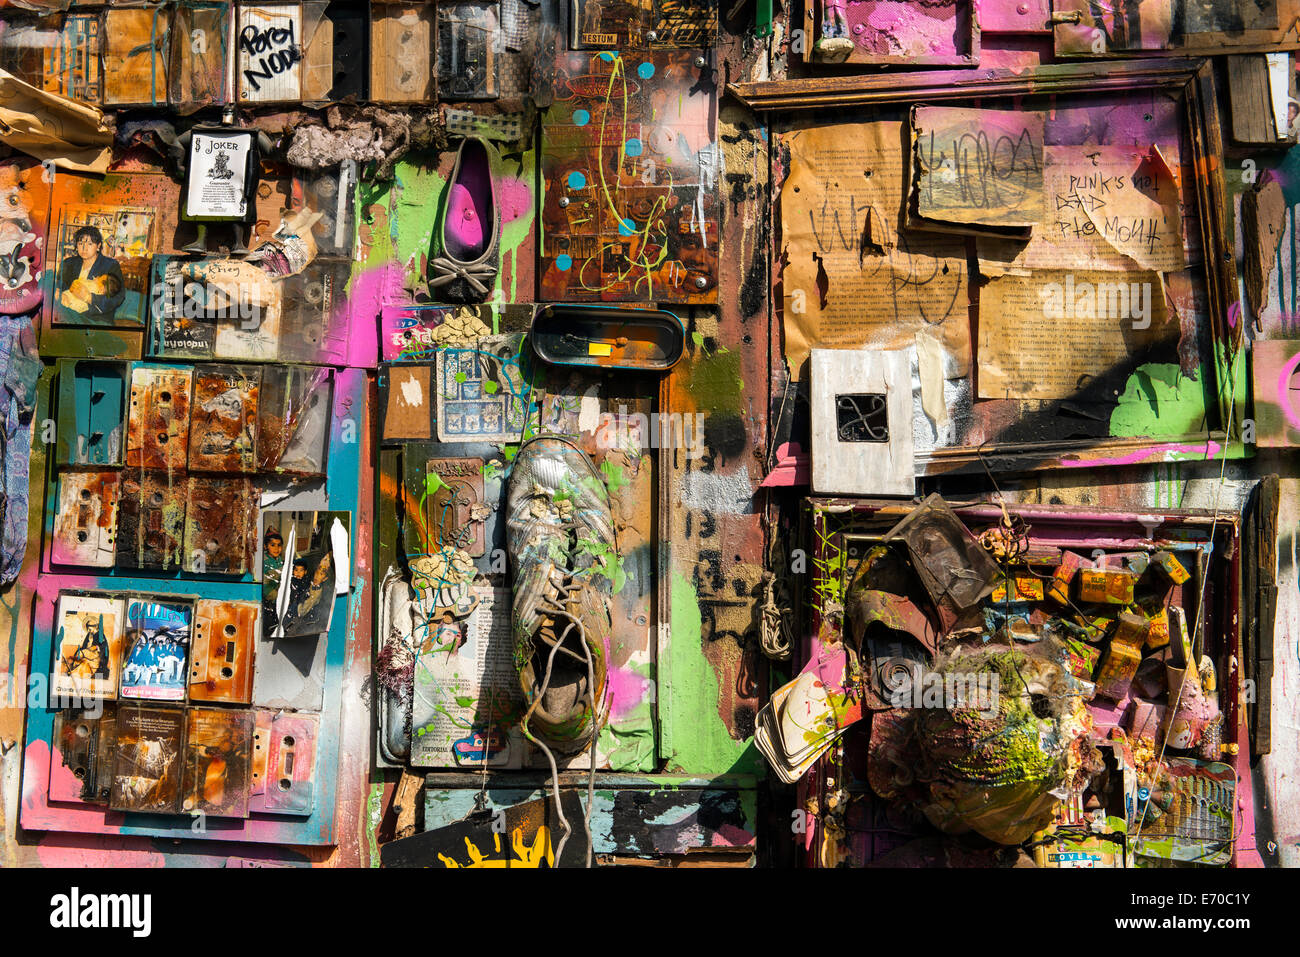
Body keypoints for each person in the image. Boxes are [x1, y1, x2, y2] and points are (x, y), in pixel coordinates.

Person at [57, 225, 126, 321]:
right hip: (66, 312)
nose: (84, 248)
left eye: (90, 244)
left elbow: (118, 297)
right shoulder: (68, 263)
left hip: (95, 318)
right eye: (80, 243)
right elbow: (59, 285)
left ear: (98, 246)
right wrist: (58, 293)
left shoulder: (111, 265)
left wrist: (89, 298)